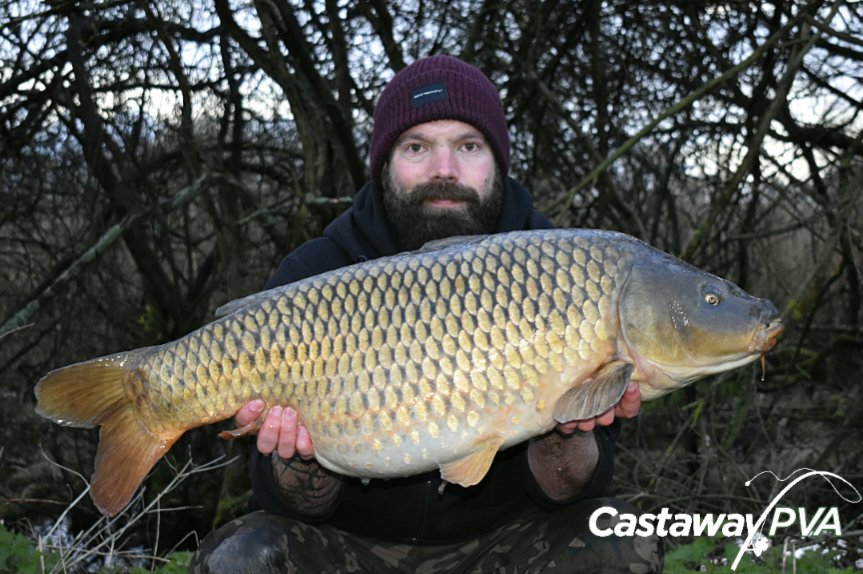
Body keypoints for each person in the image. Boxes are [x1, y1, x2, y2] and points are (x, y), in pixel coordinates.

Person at [190, 55, 662, 573]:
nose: (445, 170)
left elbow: (568, 489)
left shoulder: (567, 271)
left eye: (468, 146)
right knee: (239, 557)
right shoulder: (314, 274)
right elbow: (292, 503)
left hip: (502, 543)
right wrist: (299, 458)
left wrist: (563, 427)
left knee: (621, 541)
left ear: (498, 162)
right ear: (385, 163)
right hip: (351, 547)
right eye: (417, 147)